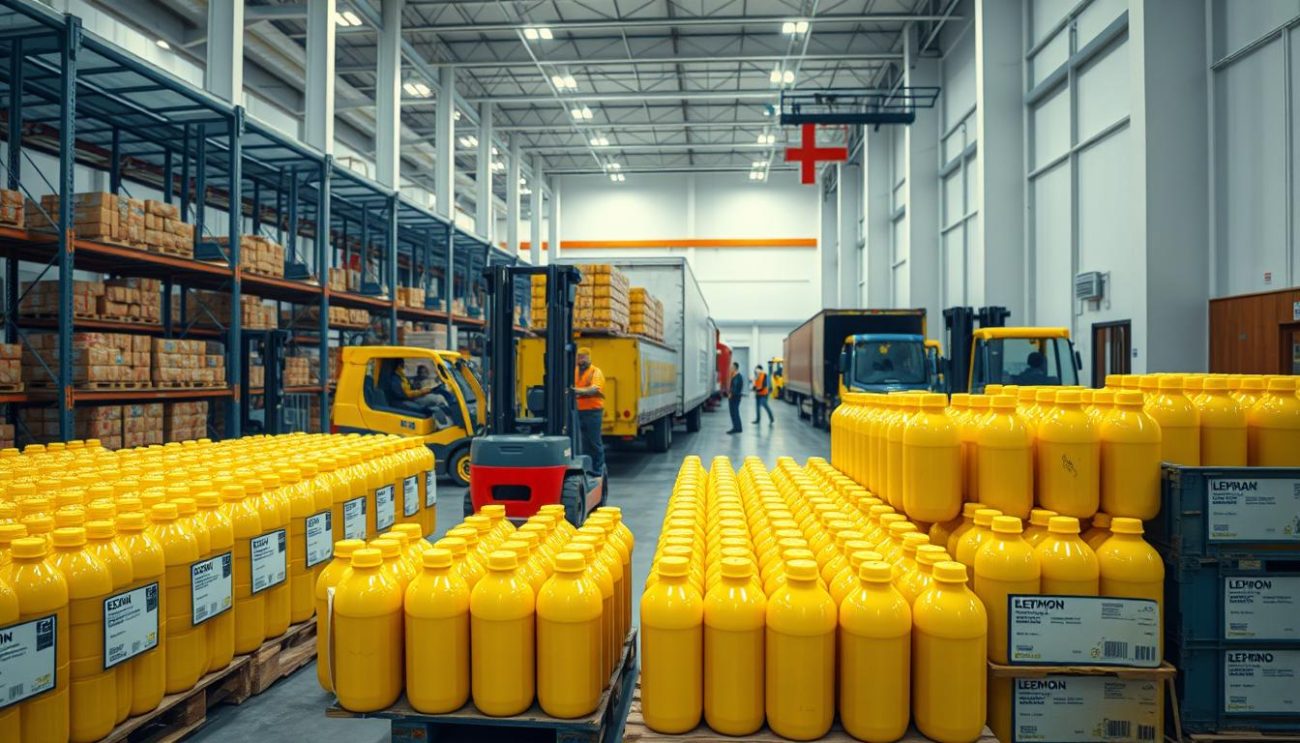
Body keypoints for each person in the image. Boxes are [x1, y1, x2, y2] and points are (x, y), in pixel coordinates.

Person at [573, 346, 607, 477]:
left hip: (593, 412)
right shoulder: (575, 371)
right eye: (579, 357)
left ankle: (598, 469)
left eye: (583, 357)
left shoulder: (595, 372)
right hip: (579, 411)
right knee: (583, 442)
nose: (581, 360)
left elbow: (594, 389)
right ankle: (588, 467)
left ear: (589, 358)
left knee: (594, 441)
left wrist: (576, 391)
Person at [726, 362, 744, 435]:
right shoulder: (736, 376)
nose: (730, 368)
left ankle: (736, 428)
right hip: (736, 396)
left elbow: (735, 388)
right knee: (735, 412)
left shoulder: (737, 377)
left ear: (735, 368)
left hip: (734, 397)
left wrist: (731, 394)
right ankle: (738, 428)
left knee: (734, 413)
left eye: (732, 367)